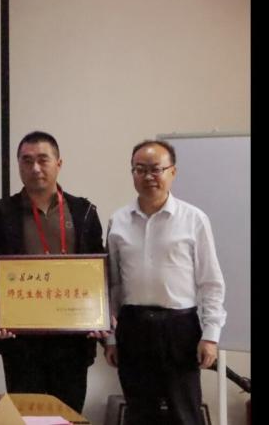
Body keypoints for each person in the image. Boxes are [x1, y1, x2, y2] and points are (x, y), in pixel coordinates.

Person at [0, 131, 105, 413]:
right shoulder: (3, 212)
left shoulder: (83, 211)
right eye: (27, 161)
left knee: (68, 414)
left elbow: (99, 268)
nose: (35, 168)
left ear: (59, 163)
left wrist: (100, 312)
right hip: (21, 340)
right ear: (18, 166)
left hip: (72, 340)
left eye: (43, 160)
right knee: (26, 414)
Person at [105, 140, 226, 425]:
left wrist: (211, 336)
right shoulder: (118, 221)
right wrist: (111, 337)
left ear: (173, 171)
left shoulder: (194, 219)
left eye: (156, 169)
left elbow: (210, 281)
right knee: (139, 414)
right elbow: (112, 286)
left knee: (185, 413)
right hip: (133, 327)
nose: (148, 176)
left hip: (179, 328)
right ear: (132, 173)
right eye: (140, 169)